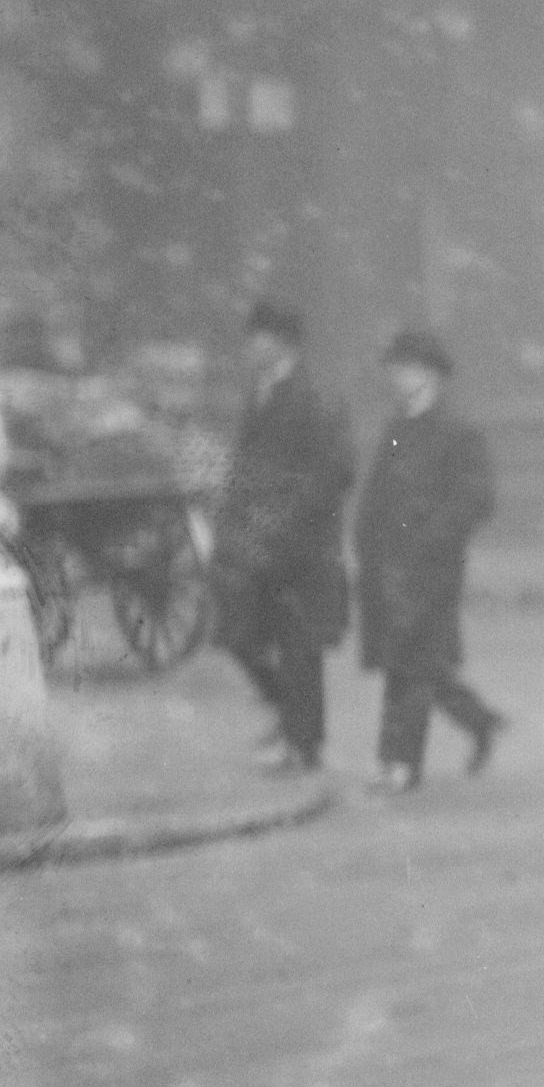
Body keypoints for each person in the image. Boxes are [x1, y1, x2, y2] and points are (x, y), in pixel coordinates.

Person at [352, 327, 503, 792]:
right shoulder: (398, 427)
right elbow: (377, 491)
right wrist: (366, 541)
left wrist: (434, 537)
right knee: (413, 660)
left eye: (407, 368)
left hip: (433, 566)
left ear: (431, 375)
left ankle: (399, 764)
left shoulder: (458, 431)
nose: (397, 377)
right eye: (395, 368)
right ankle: (478, 722)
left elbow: (477, 498)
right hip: (389, 564)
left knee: (412, 661)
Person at [213, 299, 354, 775]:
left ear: (284, 343)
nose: (252, 346)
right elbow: (244, 467)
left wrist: (286, 517)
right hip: (255, 544)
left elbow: (335, 469)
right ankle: (290, 717)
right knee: (240, 636)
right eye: (251, 337)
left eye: (262, 337)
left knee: (300, 646)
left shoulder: (314, 396)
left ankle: (303, 743)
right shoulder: (260, 393)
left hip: (303, 547)